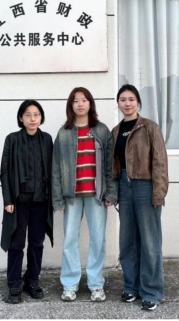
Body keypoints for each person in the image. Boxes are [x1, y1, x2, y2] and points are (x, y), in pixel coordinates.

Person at [52, 87, 117, 302]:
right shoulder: (64, 133)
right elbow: (56, 168)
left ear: (90, 103)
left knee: (98, 240)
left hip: (96, 195)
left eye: (84, 100)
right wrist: (58, 199)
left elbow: (109, 165)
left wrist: (111, 192)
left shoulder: (101, 131)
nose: (80, 104)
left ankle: (96, 284)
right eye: (76, 100)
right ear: (70, 105)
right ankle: (69, 284)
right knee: (70, 239)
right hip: (71, 196)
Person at [112, 84, 169, 311]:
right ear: (118, 103)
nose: (127, 103)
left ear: (138, 102)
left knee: (149, 240)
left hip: (145, 186)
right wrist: (113, 192)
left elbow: (160, 162)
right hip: (124, 187)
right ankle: (131, 287)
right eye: (123, 99)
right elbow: (114, 165)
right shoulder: (115, 131)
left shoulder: (149, 127)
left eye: (131, 99)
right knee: (127, 240)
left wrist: (159, 192)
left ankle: (151, 291)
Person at [0, 100, 54, 304]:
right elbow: (5, 172)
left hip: (41, 200)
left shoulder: (47, 139)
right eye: (28, 115)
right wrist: (8, 199)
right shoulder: (12, 139)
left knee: (37, 243)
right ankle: (14, 284)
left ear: (41, 117)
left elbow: (53, 170)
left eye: (36, 114)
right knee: (16, 244)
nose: (33, 119)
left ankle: (32, 280)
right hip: (18, 202)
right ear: (21, 118)